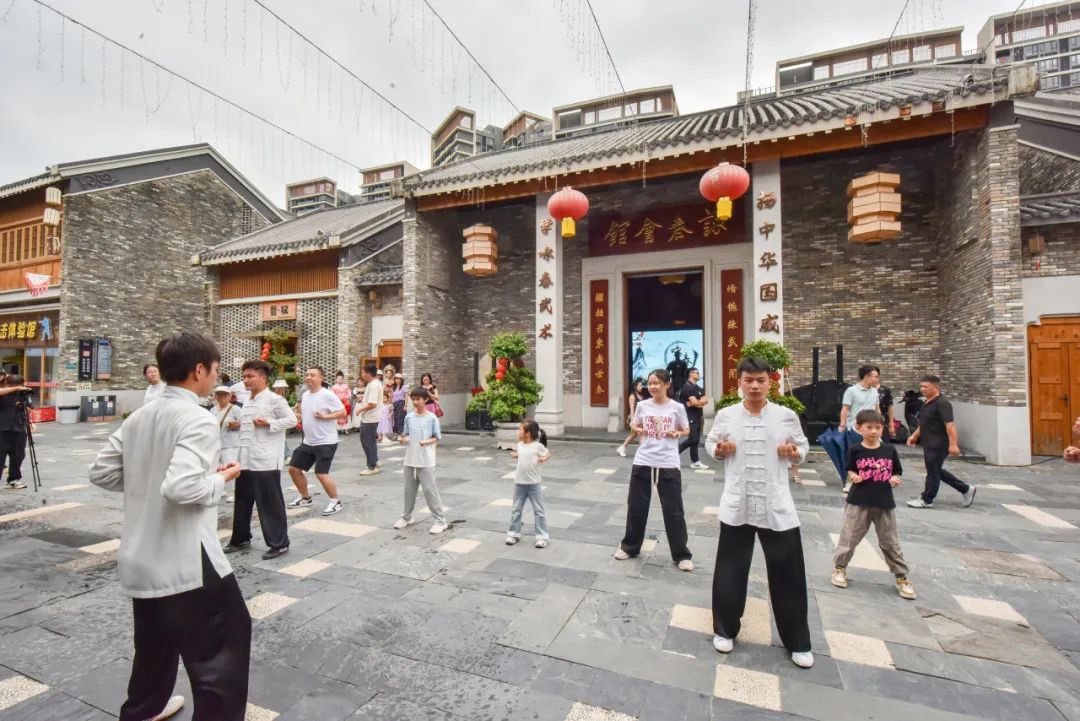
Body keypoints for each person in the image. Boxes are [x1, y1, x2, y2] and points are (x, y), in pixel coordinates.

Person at [89, 332, 249, 721]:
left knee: (154, 653)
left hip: (141, 559)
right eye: (215, 369)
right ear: (199, 370)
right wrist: (221, 478)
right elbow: (181, 488)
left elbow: (102, 472)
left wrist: (147, 480)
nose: (217, 376)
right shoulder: (197, 418)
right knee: (222, 655)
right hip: (186, 560)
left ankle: (143, 712)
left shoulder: (140, 417)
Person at [706, 357, 813, 669]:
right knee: (730, 570)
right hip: (738, 503)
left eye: (760, 380)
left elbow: (802, 448)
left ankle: (797, 641)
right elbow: (711, 444)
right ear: (738, 382)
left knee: (788, 574)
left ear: (771, 382)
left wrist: (794, 453)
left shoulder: (785, 416)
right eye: (748, 380)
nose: (754, 386)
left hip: (775, 505)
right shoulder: (726, 415)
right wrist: (719, 450)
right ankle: (724, 629)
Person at [614, 369, 694, 572]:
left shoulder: (676, 407)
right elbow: (634, 424)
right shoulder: (642, 405)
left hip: (668, 462)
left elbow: (686, 430)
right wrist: (638, 429)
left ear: (667, 384)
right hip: (644, 460)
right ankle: (629, 547)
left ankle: (682, 554)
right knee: (636, 506)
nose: (652, 387)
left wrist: (676, 432)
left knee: (674, 510)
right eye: (650, 383)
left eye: (657, 383)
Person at [831, 410, 916, 600]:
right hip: (858, 501)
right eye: (869, 427)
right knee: (849, 537)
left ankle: (901, 577)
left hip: (884, 502)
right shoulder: (855, 449)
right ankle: (839, 568)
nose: (874, 431)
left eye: (877, 428)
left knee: (890, 541)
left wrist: (895, 479)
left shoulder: (889, 450)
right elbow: (850, 468)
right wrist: (853, 476)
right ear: (858, 428)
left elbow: (897, 471)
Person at [225, 360, 296, 560]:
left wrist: (269, 423)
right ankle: (240, 538)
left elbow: (292, 420)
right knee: (242, 501)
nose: (246, 380)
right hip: (245, 459)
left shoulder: (275, 400)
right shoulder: (248, 400)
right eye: (244, 376)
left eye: (250, 376)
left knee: (269, 503)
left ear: (263, 378)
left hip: (265, 460)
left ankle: (279, 543)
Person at [906, 375, 976, 509]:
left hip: (938, 444)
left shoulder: (942, 403)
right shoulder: (927, 402)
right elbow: (924, 422)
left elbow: (950, 425)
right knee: (935, 470)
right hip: (928, 442)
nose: (922, 389)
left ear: (936, 387)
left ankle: (927, 499)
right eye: (921, 386)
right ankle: (966, 489)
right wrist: (915, 435)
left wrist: (953, 444)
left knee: (932, 472)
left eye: (926, 386)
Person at [288, 367, 346, 517]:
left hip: (326, 441)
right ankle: (305, 497)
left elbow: (343, 412)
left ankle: (335, 501)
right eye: (307, 375)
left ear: (321, 378)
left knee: (321, 473)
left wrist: (325, 417)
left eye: (312, 375)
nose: (308, 377)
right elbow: (306, 415)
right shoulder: (305, 395)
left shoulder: (327, 395)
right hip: (308, 441)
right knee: (293, 469)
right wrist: (294, 415)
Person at [394, 387, 448, 534]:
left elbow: (437, 437)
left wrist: (427, 442)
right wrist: (402, 439)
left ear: (425, 399)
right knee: (409, 491)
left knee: (430, 491)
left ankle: (440, 521)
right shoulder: (409, 417)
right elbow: (405, 434)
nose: (415, 402)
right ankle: (407, 517)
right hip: (410, 459)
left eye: (418, 399)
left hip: (426, 461)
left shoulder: (432, 418)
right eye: (413, 399)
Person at [505, 420, 552, 548]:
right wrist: (516, 455)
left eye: (520, 429)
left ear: (528, 433)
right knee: (516, 509)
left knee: (539, 511)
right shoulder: (520, 445)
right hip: (519, 483)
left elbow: (548, 453)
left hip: (534, 484)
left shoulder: (537, 446)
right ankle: (513, 534)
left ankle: (542, 537)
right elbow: (523, 455)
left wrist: (543, 458)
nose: (518, 432)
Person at [838, 365, 881, 493]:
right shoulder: (851, 391)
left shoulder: (874, 391)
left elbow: (877, 409)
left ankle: (870, 479)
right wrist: (842, 425)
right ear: (867, 377)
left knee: (873, 455)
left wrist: (880, 425)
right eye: (875, 376)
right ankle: (850, 480)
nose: (877, 379)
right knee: (854, 455)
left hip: (872, 429)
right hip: (855, 429)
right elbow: (845, 409)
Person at [0, 375, 34, 490]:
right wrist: (16, 388)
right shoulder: (3, 393)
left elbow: (30, 408)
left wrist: (24, 404)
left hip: (19, 429)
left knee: (18, 456)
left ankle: (13, 480)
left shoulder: (23, 395)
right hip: (2, 430)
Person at [678, 367, 710, 469]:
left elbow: (706, 400)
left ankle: (695, 462)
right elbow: (696, 403)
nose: (698, 374)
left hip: (697, 416)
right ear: (691, 374)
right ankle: (673, 454)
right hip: (689, 416)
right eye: (697, 372)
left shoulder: (698, 388)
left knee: (696, 440)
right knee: (693, 439)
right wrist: (697, 403)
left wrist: (696, 403)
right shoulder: (687, 387)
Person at [356, 364, 383, 475]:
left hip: (370, 418)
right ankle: (375, 461)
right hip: (370, 417)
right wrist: (363, 398)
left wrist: (360, 410)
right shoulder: (373, 384)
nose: (362, 375)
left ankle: (372, 467)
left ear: (368, 373)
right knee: (369, 441)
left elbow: (372, 404)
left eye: (363, 372)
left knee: (367, 442)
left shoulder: (373, 385)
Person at [616, 379, 648, 458]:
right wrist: (633, 421)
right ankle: (641, 453)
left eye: (641, 385)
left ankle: (622, 448)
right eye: (640, 385)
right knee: (638, 435)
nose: (641, 387)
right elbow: (632, 409)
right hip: (635, 419)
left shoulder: (640, 396)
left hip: (640, 419)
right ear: (635, 386)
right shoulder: (632, 396)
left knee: (634, 435)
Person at [271, 379, 293, 461]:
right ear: (275, 388)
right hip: (276, 421)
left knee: (281, 438)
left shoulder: (281, 397)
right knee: (280, 438)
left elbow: (285, 410)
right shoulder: (274, 397)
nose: (282, 389)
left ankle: (285, 455)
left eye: (283, 388)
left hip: (281, 421)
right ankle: (286, 455)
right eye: (280, 387)